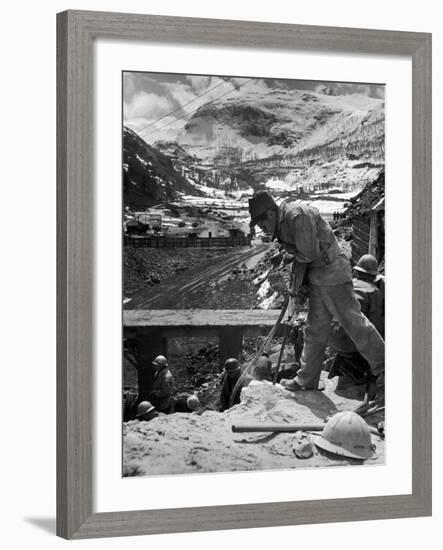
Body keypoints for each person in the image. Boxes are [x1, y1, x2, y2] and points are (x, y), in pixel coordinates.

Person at [248, 191, 384, 404]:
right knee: (315, 330)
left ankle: (386, 369)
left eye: (261, 224)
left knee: (353, 323)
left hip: (333, 274)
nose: (261, 229)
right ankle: (307, 379)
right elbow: (303, 257)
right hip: (319, 277)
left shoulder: (296, 216)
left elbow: (308, 253)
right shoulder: (284, 222)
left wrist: (287, 259)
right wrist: (298, 281)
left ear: (271, 214)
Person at [328, 254, 385, 385]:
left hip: (329, 337)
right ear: (373, 275)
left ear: (356, 271)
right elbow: (376, 326)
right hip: (351, 344)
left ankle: (343, 370)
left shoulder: (346, 285)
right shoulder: (373, 292)